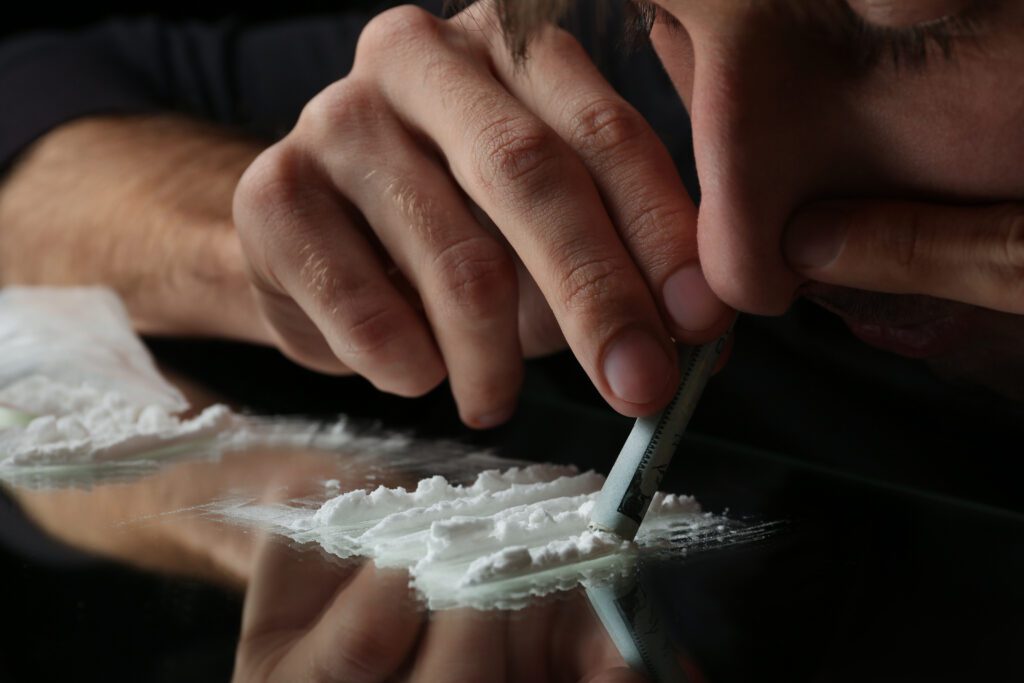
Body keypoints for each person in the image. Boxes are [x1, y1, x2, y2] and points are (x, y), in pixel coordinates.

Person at [0, 0, 1021, 434]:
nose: (734, 260)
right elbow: (30, 127)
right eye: (659, 14)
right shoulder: (609, 102)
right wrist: (328, 261)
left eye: (908, 32)